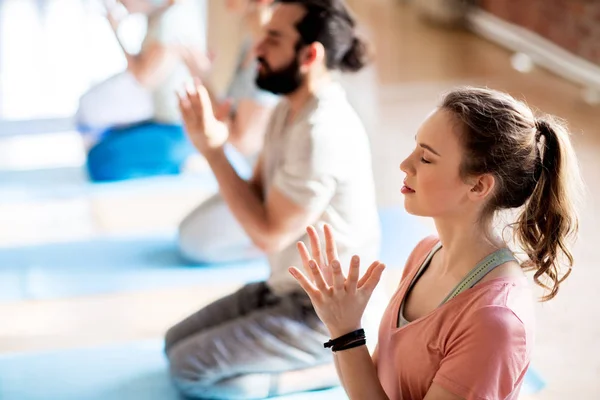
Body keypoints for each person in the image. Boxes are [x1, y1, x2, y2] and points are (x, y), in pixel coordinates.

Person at [289, 87, 583, 400]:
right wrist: (341, 327)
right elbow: (375, 389)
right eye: (415, 147)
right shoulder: (425, 253)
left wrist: (347, 333)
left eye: (426, 158)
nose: (405, 164)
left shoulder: (494, 320)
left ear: (479, 185)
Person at [164, 0, 383, 398]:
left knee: (188, 370)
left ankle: (328, 368)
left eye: (273, 39)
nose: (256, 50)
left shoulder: (322, 131)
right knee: (172, 342)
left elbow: (267, 234)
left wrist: (214, 153)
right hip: (284, 289)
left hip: (325, 314)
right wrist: (212, 146)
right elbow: (255, 197)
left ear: (310, 55)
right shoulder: (288, 109)